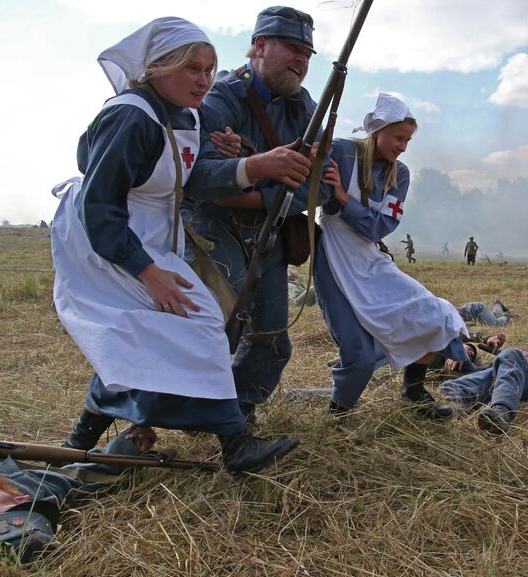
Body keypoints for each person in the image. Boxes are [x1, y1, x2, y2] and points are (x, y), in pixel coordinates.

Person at [50, 17, 298, 475]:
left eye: (209, 69)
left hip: (148, 237)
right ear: (157, 67)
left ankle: (81, 438)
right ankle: (234, 441)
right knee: (198, 323)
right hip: (107, 241)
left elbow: (191, 178)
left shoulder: (182, 115)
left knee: (145, 336)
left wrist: (251, 165)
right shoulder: (131, 116)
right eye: (192, 69)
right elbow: (100, 206)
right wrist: (148, 272)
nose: (205, 80)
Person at [181, 6, 324, 425]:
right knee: (208, 333)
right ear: (259, 46)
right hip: (213, 229)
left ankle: (236, 415)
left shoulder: (305, 108)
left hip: (268, 230)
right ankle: (165, 411)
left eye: (307, 53)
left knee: (272, 340)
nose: (301, 60)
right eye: (292, 48)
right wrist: (267, 178)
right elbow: (200, 181)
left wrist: (261, 188)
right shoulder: (220, 98)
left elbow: (313, 187)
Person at [314, 93, 468, 417]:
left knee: (434, 313)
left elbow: (378, 228)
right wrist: (325, 182)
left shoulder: (401, 175)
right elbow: (314, 193)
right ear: (378, 131)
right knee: (357, 352)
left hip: (369, 257)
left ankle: (412, 390)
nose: (403, 146)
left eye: (408, 140)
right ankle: (338, 412)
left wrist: (344, 198)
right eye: (398, 137)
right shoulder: (342, 151)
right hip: (333, 254)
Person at [0, 427, 155, 564]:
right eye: (21, 506)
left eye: (15, 508)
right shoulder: (24, 493)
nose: (27, 501)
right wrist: (128, 447)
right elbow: (77, 479)